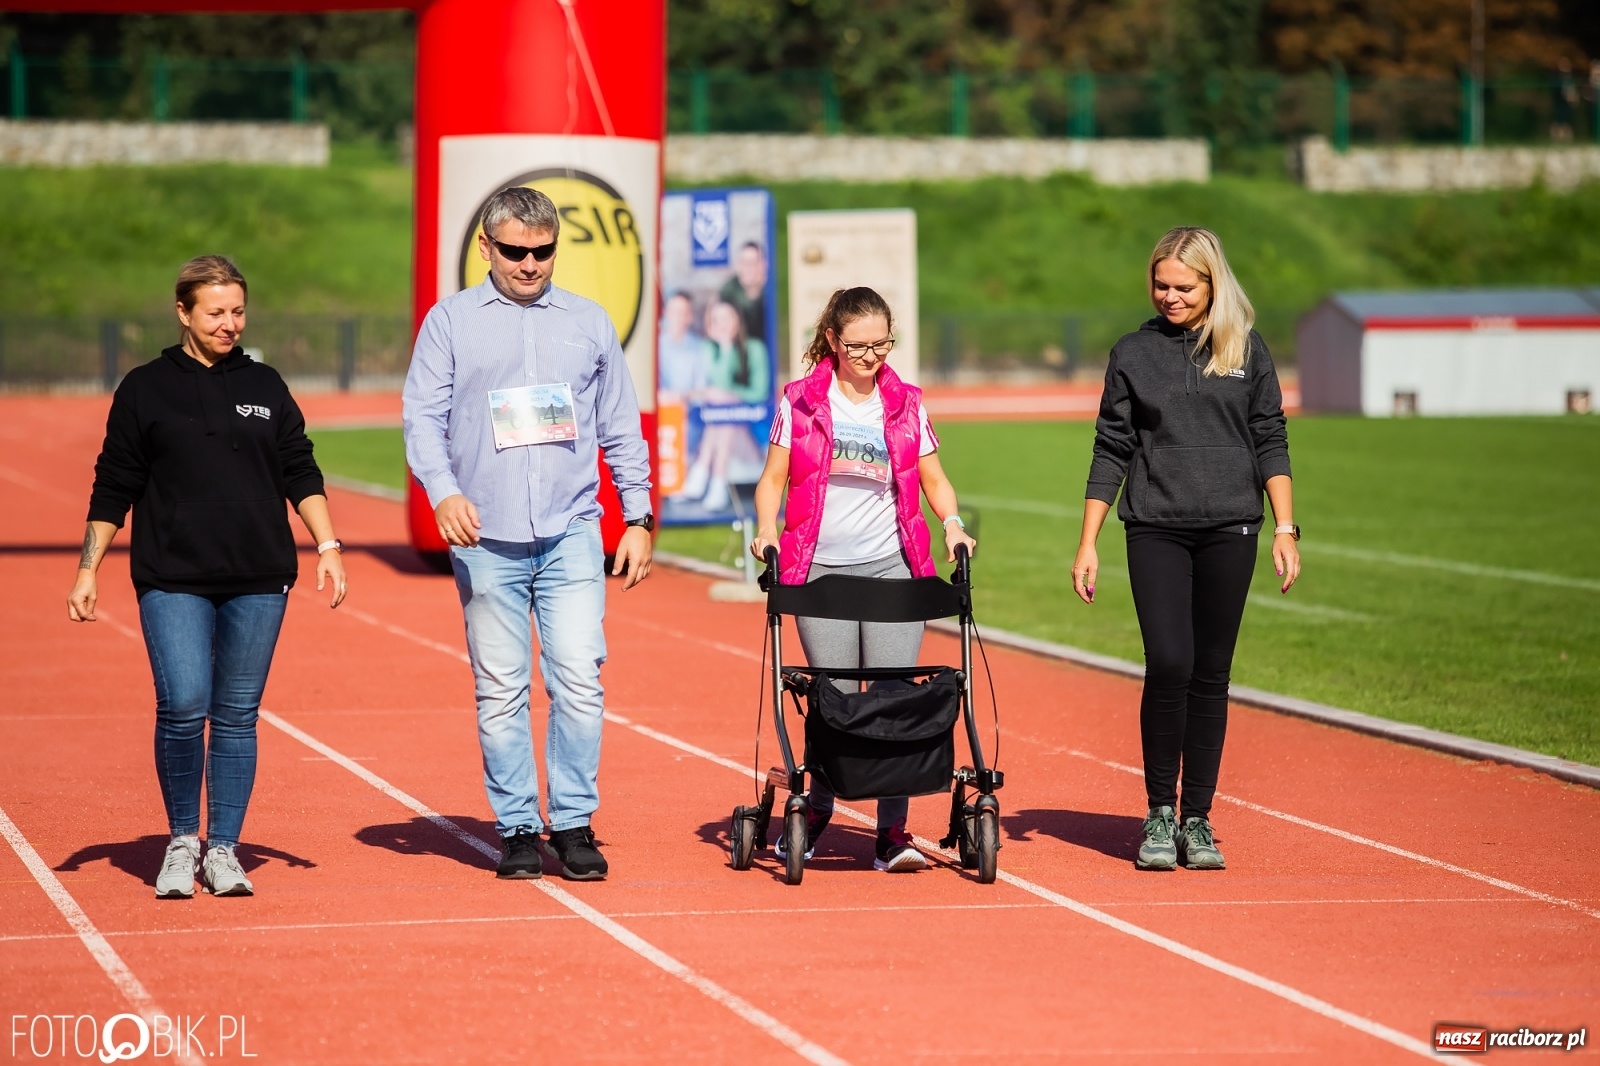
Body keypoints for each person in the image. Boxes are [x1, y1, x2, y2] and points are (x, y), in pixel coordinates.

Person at [69, 255, 347, 900]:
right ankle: (181, 842)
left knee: (238, 715)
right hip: (173, 576)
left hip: (258, 576)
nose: (230, 324)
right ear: (183, 312)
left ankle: (223, 848)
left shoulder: (266, 383)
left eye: (238, 311)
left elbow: (299, 469)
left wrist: (327, 544)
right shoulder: (144, 388)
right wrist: (89, 570)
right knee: (184, 705)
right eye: (216, 312)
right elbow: (115, 483)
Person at [403, 186, 654, 883]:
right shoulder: (450, 323)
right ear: (486, 247)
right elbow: (420, 417)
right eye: (514, 251)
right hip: (487, 538)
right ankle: (516, 826)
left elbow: (621, 428)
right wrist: (443, 490)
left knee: (579, 680)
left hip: (573, 532)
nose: (529, 264)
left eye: (542, 252)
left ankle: (571, 821)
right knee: (502, 688)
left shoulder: (588, 322)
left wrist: (638, 516)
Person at [1072, 227, 1299, 873]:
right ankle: (1157, 813)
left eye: (1183, 286)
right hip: (1156, 526)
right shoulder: (1133, 352)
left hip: (1233, 527)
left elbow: (1269, 438)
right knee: (1169, 662)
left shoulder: (1246, 350)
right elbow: (1111, 446)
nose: (1169, 296)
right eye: (1160, 285)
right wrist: (1088, 540)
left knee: (1211, 673)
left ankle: (1197, 817)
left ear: (1211, 283)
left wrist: (1285, 528)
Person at [750, 286, 977, 872]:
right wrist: (765, 528)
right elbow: (773, 479)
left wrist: (952, 524)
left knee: (894, 699)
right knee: (835, 699)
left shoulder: (905, 403)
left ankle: (892, 833)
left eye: (882, 343)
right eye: (859, 345)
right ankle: (819, 810)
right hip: (819, 570)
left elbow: (934, 478)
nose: (873, 356)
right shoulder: (799, 402)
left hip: (892, 569)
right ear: (833, 339)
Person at [679, 299, 771, 513]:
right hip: (720, 434)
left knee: (725, 406)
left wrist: (732, 395)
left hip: (750, 437)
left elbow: (759, 392)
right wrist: (724, 347)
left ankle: (702, 470)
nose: (722, 324)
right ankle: (717, 480)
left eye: (727, 317)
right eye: (716, 319)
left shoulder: (755, 349)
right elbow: (714, 386)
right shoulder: (708, 349)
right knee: (723, 411)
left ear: (738, 319)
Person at [717, 241, 768, 345]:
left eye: (753, 262)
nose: (749, 267)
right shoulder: (729, 291)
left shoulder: (772, 291)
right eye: (744, 262)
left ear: (764, 264)